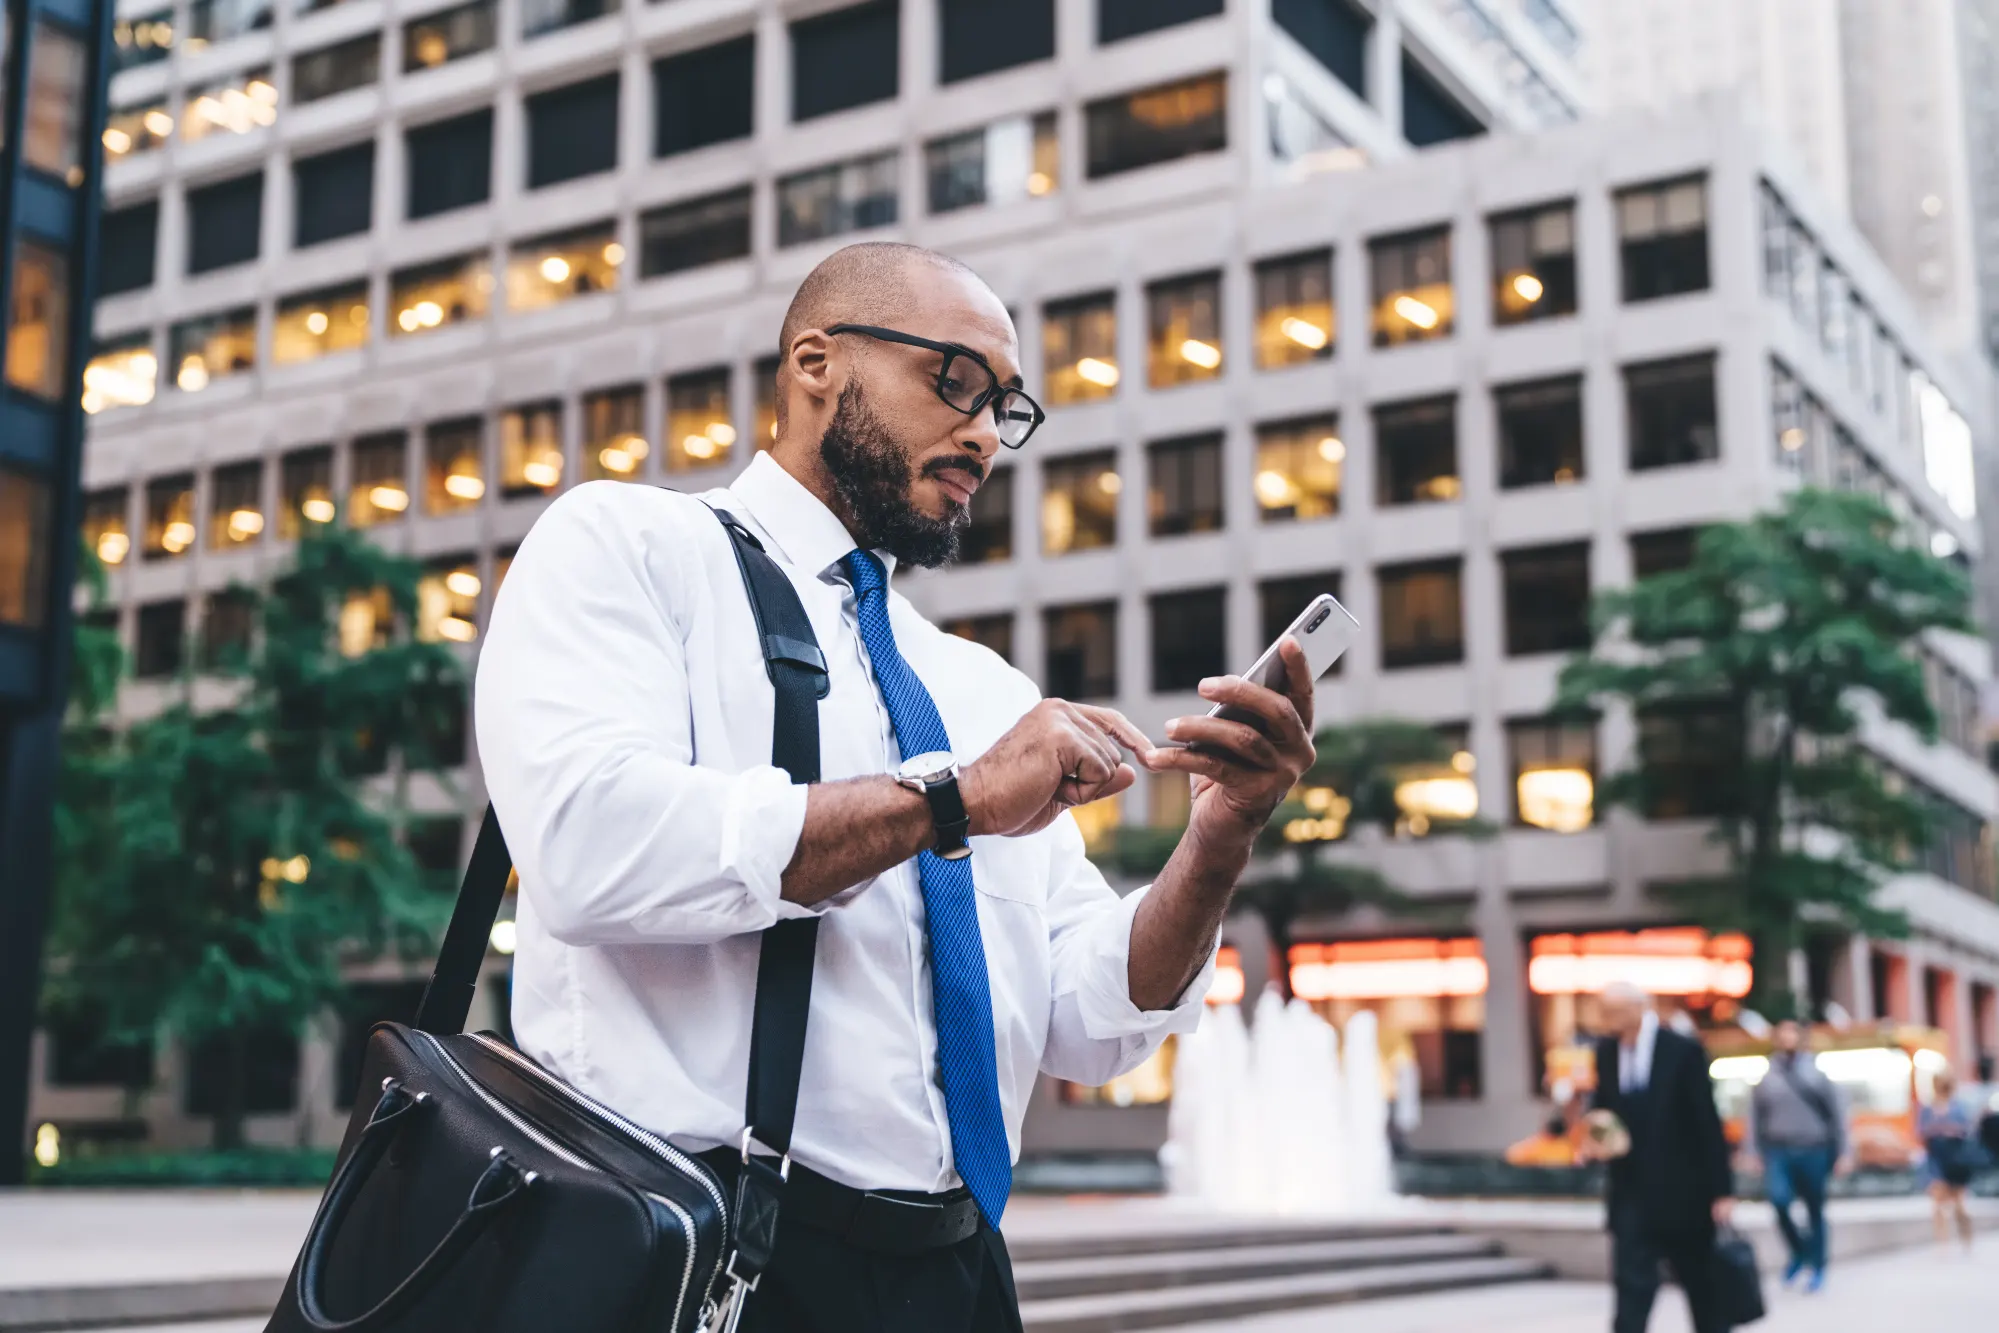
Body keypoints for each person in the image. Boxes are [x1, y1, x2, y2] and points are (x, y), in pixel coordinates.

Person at [475, 242, 1319, 1333]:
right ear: (815, 362)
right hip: (709, 1257)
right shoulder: (632, 547)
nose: (981, 430)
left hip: (961, 1273)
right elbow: (589, 850)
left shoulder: (977, 686)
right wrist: (952, 800)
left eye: (1004, 406)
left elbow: (1083, 1018)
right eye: (954, 380)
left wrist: (1219, 839)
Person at [1581, 982, 1737, 1333]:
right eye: (1605, 1012)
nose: (1609, 1020)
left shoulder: (1681, 1051)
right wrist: (1593, 1140)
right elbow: (1604, 1110)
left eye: (1616, 1011)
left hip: (1685, 1194)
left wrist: (1722, 1191)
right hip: (1630, 1193)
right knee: (1630, 1289)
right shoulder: (1606, 1052)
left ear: (1641, 1008)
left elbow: (1707, 1123)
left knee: (1701, 1287)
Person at [1742, 1019, 1849, 1291]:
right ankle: (1800, 1251)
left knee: (1815, 1209)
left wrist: (1845, 1152)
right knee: (1778, 1201)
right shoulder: (1768, 1074)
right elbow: (1754, 1116)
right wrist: (1751, 1151)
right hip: (1778, 1149)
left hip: (1814, 1148)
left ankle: (1818, 1266)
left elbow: (1838, 1116)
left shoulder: (1816, 1072)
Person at [1919, 1066, 1979, 1254]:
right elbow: (1921, 1131)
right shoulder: (1928, 1108)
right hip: (1937, 1158)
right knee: (1937, 1204)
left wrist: (1949, 1129)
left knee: (1960, 1205)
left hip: (1957, 1159)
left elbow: (1968, 1129)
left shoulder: (1959, 1105)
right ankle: (1942, 1245)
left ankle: (1966, 1237)